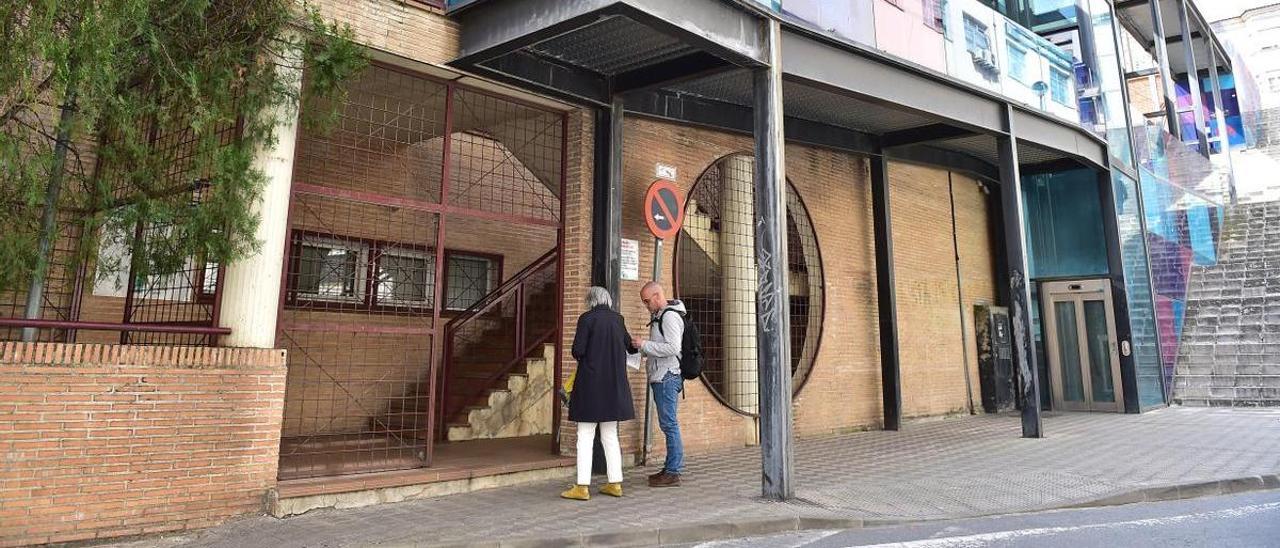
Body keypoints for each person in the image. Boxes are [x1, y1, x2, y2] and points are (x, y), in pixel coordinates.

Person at [561, 286, 637, 500]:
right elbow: (630, 347)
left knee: (584, 436)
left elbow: (578, 350)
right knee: (610, 436)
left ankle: (582, 487)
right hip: (614, 387)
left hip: (590, 387)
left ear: (590, 300)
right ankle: (615, 483)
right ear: (607, 300)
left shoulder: (587, 319)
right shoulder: (618, 319)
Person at [633, 281, 685, 487]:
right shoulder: (660, 316)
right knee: (668, 424)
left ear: (657, 296)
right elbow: (662, 346)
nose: (646, 305)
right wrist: (641, 349)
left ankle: (673, 471)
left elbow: (673, 347)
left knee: (669, 424)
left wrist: (644, 344)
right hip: (662, 375)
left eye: (647, 301)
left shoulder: (669, 316)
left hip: (666, 376)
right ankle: (670, 468)